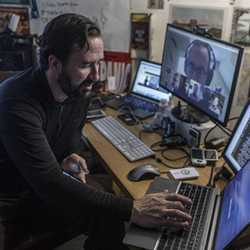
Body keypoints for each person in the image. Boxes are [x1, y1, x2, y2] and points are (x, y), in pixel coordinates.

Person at [0, 14, 192, 250]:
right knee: (116, 210)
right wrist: (134, 209)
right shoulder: (16, 100)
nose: (97, 75)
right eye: (85, 64)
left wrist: (66, 158)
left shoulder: (77, 89)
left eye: (98, 62)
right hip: (15, 200)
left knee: (112, 211)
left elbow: (65, 150)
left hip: (45, 182)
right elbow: (49, 183)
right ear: (54, 63)